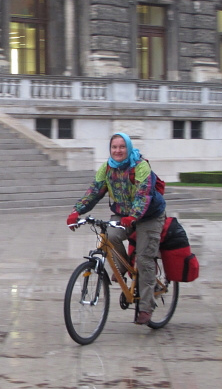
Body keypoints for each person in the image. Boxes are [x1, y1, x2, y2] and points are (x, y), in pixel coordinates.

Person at [66, 132, 166, 324]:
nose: (118, 151)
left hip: (149, 215)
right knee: (110, 236)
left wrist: (134, 216)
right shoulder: (107, 168)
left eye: (122, 147)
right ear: (110, 150)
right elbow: (94, 192)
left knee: (145, 258)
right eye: (114, 147)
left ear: (128, 148)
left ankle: (146, 306)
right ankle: (123, 266)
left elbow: (143, 196)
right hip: (123, 214)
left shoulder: (140, 166)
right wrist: (76, 212)